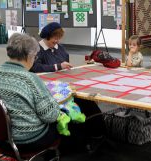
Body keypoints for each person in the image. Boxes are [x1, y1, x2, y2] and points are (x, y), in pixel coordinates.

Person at [0, 33, 62, 161]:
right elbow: (50, 116)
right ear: (29, 56)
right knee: (59, 124)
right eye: (35, 57)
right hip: (26, 140)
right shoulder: (30, 79)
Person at [29, 22, 106, 153]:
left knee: (88, 102)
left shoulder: (60, 48)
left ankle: (96, 134)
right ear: (47, 36)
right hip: (51, 91)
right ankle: (80, 137)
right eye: (55, 37)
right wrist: (57, 66)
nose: (57, 40)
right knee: (81, 104)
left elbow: (66, 63)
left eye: (59, 37)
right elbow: (35, 68)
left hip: (65, 85)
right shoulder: (37, 49)